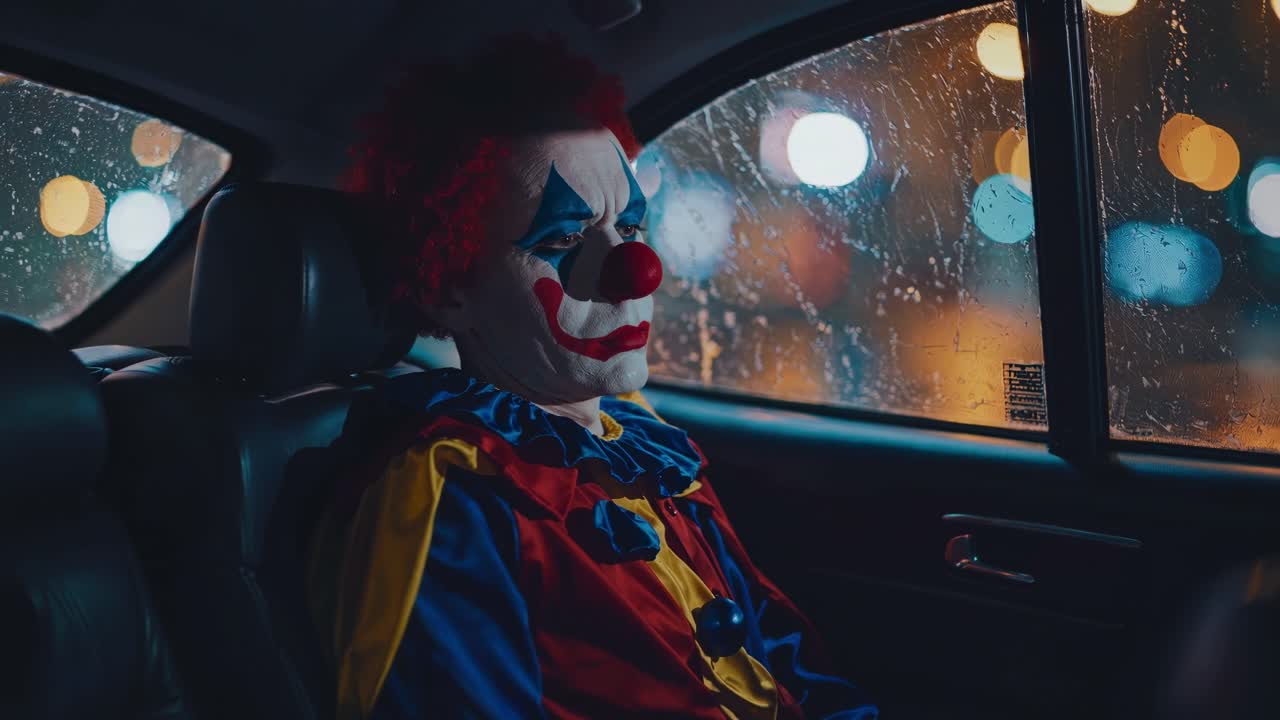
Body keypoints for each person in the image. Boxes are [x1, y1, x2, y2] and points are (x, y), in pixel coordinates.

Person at [308, 33, 877, 720]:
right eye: (563, 241)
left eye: (630, 227)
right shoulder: (455, 490)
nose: (635, 274)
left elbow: (781, 653)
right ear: (450, 284)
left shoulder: (641, 437)